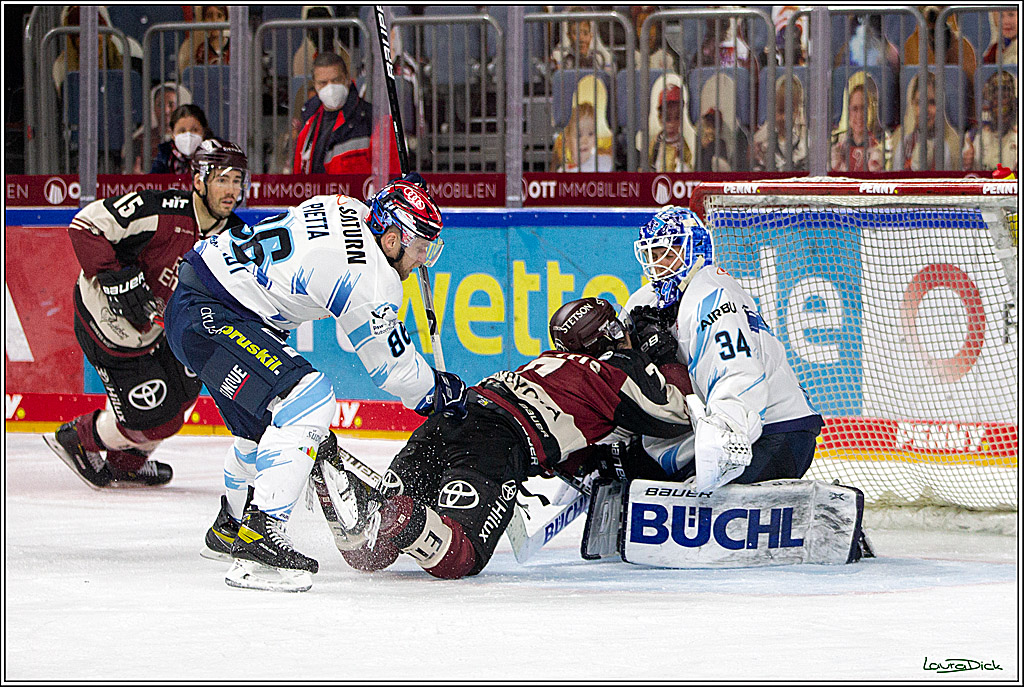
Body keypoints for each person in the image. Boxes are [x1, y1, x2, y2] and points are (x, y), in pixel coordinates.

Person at [162, 177, 464, 592]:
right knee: (307, 398)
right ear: (391, 240)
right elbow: (391, 371)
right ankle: (259, 541)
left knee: (264, 430)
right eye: (420, 249)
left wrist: (401, 189)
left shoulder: (349, 207)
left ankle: (230, 526)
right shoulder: (368, 280)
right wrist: (437, 391)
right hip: (213, 315)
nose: (423, 261)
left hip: (200, 303)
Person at [330, 296, 693, 579]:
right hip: (498, 438)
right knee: (461, 555)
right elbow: (678, 413)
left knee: (373, 551)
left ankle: (350, 491)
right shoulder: (615, 371)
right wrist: (660, 354)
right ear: (610, 335)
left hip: (453, 414)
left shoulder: (547, 362)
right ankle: (404, 512)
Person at [43, 138, 248, 490]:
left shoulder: (236, 235)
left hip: (159, 328)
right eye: (221, 179)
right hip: (105, 324)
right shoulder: (160, 207)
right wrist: (114, 275)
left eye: (237, 180)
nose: (231, 190)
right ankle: (79, 437)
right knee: (155, 420)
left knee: (183, 393)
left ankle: (126, 463)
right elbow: (85, 224)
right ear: (198, 180)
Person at [623, 206, 823, 489]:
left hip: (778, 432)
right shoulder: (647, 301)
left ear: (695, 249)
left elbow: (738, 375)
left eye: (669, 253)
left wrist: (724, 445)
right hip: (749, 428)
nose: (660, 265)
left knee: (702, 503)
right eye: (653, 255)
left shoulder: (711, 295)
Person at [293, 51, 389, 175]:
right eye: (323, 83)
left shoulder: (371, 119)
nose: (330, 87)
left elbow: (389, 174)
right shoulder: (308, 121)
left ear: (347, 79)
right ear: (315, 85)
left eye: (336, 80)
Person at [888, 71, 961, 171]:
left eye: (932, 102)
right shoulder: (900, 142)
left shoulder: (952, 146)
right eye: (919, 103)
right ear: (912, 105)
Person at [963, 70, 1018, 172]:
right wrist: (966, 167)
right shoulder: (973, 137)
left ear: (1013, 102)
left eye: (1005, 96)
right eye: (995, 97)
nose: (1000, 102)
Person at [132, 83, 193, 174]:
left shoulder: (190, 140)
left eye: (171, 105)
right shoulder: (140, 140)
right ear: (153, 109)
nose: (166, 111)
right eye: (160, 105)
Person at [830, 72, 885, 173]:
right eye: (855, 109)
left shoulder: (882, 145)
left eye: (864, 108)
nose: (860, 115)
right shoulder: (836, 147)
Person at [754, 75, 808, 171]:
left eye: (791, 111)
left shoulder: (807, 143)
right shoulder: (761, 142)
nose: (785, 118)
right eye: (781, 111)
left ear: (798, 110)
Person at [644, 80, 695, 172]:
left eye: (677, 118)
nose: (672, 124)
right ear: (660, 118)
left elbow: (688, 163)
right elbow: (647, 163)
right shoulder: (656, 143)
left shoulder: (681, 144)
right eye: (667, 119)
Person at [151, 104, 212, 175]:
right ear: (173, 135)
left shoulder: (215, 155)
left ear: (203, 132)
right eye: (182, 131)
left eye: (194, 130)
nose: (188, 136)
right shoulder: (164, 157)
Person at [552, 102, 613, 173]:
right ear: (567, 140)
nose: (585, 141)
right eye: (579, 135)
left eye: (590, 134)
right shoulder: (563, 171)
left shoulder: (605, 162)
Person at [550, 8, 614, 73]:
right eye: (575, 33)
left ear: (590, 36)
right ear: (569, 36)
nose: (581, 39)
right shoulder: (564, 62)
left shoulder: (599, 61)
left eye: (585, 33)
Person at [177, 5, 231, 69]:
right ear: (204, 21)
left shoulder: (234, 47)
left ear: (225, 20)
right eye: (209, 16)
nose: (214, 21)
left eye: (219, 16)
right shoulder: (202, 51)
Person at [631, 6, 678, 71]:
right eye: (641, 25)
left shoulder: (668, 58)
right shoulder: (627, 58)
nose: (647, 32)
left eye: (651, 25)